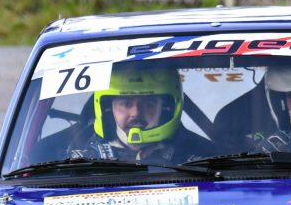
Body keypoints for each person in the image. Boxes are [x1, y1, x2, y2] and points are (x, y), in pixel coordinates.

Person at [71, 64, 215, 164]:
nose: (136, 113)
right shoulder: (79, 157)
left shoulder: (203, 158)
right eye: (126, 104)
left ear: (166, 108)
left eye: (149, 104)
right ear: (109, 108)